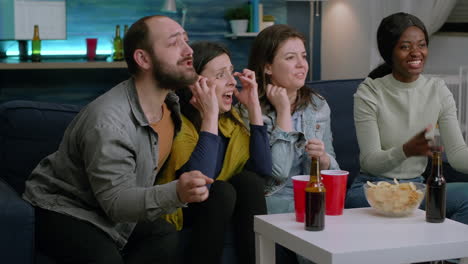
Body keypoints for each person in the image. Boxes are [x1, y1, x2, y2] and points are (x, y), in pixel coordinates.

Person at [22, 15, 213, 264]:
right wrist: (176, 192)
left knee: (164, 235)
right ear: (143, 59)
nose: (189, 51)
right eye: (174, 43)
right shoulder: (109, 122)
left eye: (187, 41)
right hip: (64, 208)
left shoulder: (170, 105)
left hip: (109, 205)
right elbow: (116, 202)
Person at [346, 12, 468, 225]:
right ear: (389, 52)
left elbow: (457, 155)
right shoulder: (370, 92)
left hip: (415, 191)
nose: (416, 53)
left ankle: (445, 257)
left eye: (421, 45)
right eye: (405, 47)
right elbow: (370, 161)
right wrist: (406, 150)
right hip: (373, 189)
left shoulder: (437, 90)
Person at [158, 41, 271, 264]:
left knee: (248, 182)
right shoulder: (177, 125)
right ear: (195, 85)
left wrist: (254, 108)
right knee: (220, 191)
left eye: (231, 72)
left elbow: (263, 171)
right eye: (221, 75)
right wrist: (209, 116)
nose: (232, 82)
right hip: (182, 206)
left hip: (218, 200)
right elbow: (200, 187)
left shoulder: (232, 122)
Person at [247, 24, 340, 264]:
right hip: (274, 197)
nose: (302, 64)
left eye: (304, 56)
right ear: (267, 67)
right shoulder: (252, 109)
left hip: (314, 196)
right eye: (290, 57)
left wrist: (324, 159)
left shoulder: (318, 106)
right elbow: (277, 172)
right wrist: (283, 111)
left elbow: (334, 168)